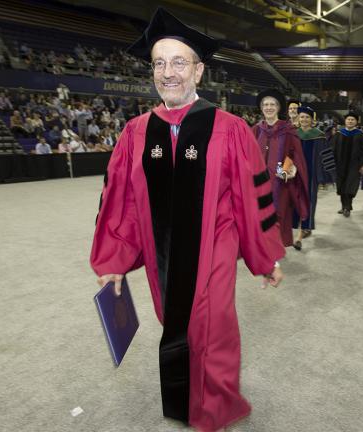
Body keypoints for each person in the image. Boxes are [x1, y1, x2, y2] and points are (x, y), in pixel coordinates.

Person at [91, 8, 285, 431]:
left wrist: (265, 257)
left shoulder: (230, 128)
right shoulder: (135, 132)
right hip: (162, 252)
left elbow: (253, 200)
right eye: (159, 63)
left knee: (213, 330)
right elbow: (119, 201)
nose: (167, 72)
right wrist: (113, 262)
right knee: (175, 326)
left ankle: (215, 408)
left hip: (214, 247)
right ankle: (183, 399)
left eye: (179, 62)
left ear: (199, 70)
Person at [252, 89, 310, 248]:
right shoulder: (256, 130)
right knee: (259, 215)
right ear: (261, 108)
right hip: (258, 184)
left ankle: (273, 247)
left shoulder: (288, 130)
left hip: (280, 183)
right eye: (266, 104)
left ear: (278, 108)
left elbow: (296, 155)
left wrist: (291, 168)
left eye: (272, 104)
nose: (269, 107)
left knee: (279, 215)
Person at [292, 105, 324, 250]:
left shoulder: (319, 135)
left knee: (309, 200)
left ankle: (301, 233)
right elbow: (285, 154)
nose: (304, 119)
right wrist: (282, 172)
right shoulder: (293, 134)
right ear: (298, 118)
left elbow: (325, 156)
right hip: (294, 174)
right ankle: (296, 227)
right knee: (293, 200)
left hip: (311, 174)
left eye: (307, 117)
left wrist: (323, 177)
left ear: (312, 120)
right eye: (302, 117)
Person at [330, 112, 363, 216]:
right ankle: (344, 206)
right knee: (342, 186)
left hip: (355, 165)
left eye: (353, 120)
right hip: (340, 165)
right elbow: (332, 149)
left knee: (350, 186)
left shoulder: (360, 135)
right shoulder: (339, 134)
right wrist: (331, 163)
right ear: (345, 121)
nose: (350, 121)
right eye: (348, 119)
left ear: (356, 122)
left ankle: (347, 207)